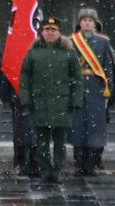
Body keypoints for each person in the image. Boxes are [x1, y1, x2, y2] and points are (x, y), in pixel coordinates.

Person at [19, 17, 80, 182]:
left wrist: (75, 101)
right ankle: (45, 171)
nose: (50, 33)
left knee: (60, 142)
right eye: (47, 30)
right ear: (42, 32)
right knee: (41, 143)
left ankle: (58, 170)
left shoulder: (68, 53)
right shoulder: (33, 53)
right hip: (39, 103)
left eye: (53, 30)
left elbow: (77, 79)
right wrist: (25, 100)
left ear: (59, 33)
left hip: (62, 104)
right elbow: (24, 78)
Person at [66, 9, 115, 176]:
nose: (87, 23)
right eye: (84, 20)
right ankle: (78, 164)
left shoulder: (103, 42)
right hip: (77, 86)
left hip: (96, 88)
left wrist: (108, 88)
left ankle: (91, 164)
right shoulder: (71, 41)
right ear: (79, 23)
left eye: (90, 20)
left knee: (94, 129)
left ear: (95, 23)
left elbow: (107, 67)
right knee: (78, 127)